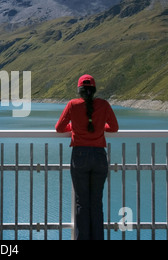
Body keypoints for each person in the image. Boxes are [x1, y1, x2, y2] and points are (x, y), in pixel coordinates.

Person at [55, 75, 119, 240]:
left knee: (81, 202)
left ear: (79, 91)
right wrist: (99, 127)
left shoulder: (73, 105)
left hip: (80, 156)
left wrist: (74, 127)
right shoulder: (103, 105)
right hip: (99, 157)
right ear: (94, 89)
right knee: (96, 203)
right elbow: (114, 127)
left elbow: (59, 128)